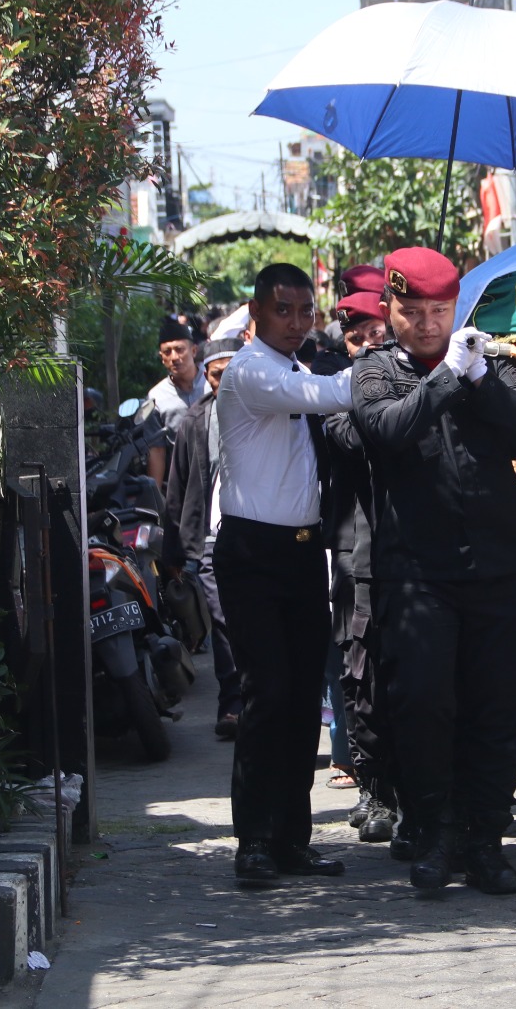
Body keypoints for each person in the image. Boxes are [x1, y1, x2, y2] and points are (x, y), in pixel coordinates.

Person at [352, 247, 516, 894]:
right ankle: (433, 831)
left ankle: (484, 838)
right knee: (423, 707)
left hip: (499, 571)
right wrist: (442, 382)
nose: (427, 324)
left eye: (439, 311)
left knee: (499, 709)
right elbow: (385, 429)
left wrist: (482, 378)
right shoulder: (376, 369)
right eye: (413, 311)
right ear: (390, 309)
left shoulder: (491, 360)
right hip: (418, 576)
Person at [212, 262, 353, 884]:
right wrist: (389, 362)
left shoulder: (293, 367)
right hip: (252, 553)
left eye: (305, 312)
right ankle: (254, 841)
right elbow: (329, 396)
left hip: (301, 553)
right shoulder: (250, 371)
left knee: (300, 702)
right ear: (256, 313)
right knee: (266, 694)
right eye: (283, 310)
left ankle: (292, 838)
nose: (297, 323)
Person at [315, 264, 399, 843]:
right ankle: (374, 786)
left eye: (376, 333)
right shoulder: (337, 386)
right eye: (355, 338)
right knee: (359, 673)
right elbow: (347, 437)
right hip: (354, 546)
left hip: (414, 550)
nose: (368, 345)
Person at [161, 336, 245, 739]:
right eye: (216, 375)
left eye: (231, 373)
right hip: (213, 541)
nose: (223, 382)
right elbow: (177, 487)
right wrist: (174, 552)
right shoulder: (195, 420)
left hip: (264, 533)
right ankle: (232, 706)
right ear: (207, 376)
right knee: (225, 622)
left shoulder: (269, 410)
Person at [147, 318, 209, 433]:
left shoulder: (211, 384)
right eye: (167, 352)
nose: (174, 357)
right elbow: (156, 442)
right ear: (162, 358)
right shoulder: (157, 397)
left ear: (194, 351)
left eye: (179, 350)